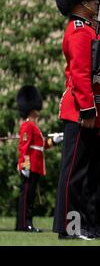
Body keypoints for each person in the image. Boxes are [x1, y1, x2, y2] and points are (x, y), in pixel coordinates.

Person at [53, 0, 100, 240]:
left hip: (87, 111)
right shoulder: (78, 31)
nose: (95, 4)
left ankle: (79, 224)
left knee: (83, 173)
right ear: (80, 1)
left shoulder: (88, 30)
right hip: (80, 111)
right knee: (74, 173)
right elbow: (80, 74)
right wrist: (88, 109)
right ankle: (69, 226)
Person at [15, 85, 62, 232]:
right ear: (31, 109)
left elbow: (40, 146)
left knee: (30, 197)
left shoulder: (33, 126)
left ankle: (25, 223)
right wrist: (25, 166)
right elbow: (24, 148)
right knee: (26, 197)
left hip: (35, 165)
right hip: (30, 166)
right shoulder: (28, 126)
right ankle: (24, 224)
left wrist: (54, 140)